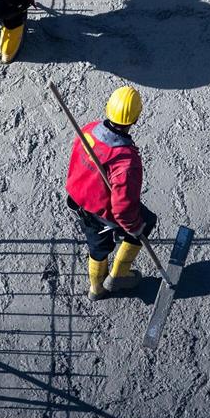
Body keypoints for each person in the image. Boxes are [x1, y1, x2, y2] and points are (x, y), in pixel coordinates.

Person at [65, 86, 157, 300]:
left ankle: (96, 289)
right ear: (135, 119)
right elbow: (123, 208)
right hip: (102, 211)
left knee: (97, 247)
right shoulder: (125, 160)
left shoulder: (88, 130)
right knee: (147, 222)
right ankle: (119, 275)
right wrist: (135, 228)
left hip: (80, 201)